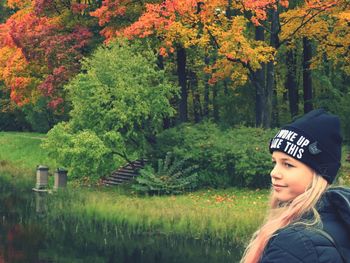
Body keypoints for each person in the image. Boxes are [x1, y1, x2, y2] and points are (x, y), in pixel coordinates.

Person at [240, 108, 350, 263]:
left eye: (288, 164)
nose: (274, 173)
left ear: (318, 173)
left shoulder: (293, 244)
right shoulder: (341, 218)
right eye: (275, 162)